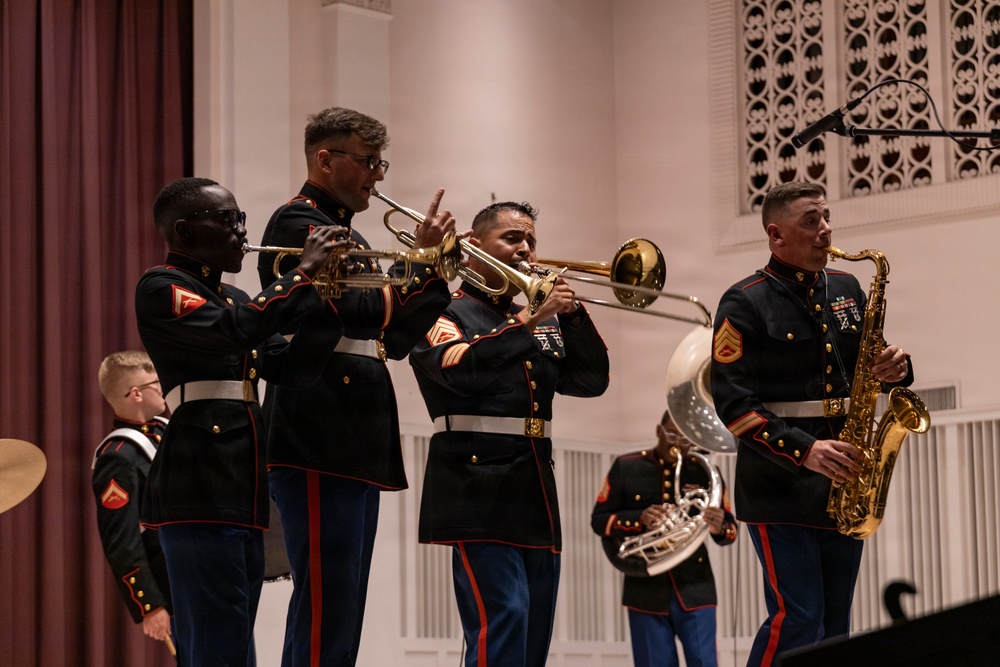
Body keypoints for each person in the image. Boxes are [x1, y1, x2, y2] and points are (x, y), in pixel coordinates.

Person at [256, 107, 456, 666]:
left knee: (342, 605)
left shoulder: (350, 231)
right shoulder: (297, 225)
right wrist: (419, 265)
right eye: (367, 162)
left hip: (351, 430)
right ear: (325, 159)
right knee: (326, 605)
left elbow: (395, 336)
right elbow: (363, 313)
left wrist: (427, 269)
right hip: (318, 428)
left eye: (379, 162)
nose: (377, 176)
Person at [136, 176, 348, 666]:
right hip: (198, 485)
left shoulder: (231, 294)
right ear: (186, 232)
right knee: (217, 645)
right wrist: (302, 274)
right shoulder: (162, 286)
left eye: (242, 220)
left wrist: (333, 301)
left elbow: (291, 368)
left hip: (241, 488)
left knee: (234, 637)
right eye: (229, 220)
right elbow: (237, 332)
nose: (241, 231)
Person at [709, 181, 914, 667]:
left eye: (826, 218)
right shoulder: (743, 302)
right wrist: (805, 451)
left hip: (845, 479)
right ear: (776, 235)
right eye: (811, 221)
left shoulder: (846, 287)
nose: (825, 230)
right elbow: (734, 405)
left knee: (835, 625)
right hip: (780, 484)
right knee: (798, 618)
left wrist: (896, 369)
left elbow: (869, 364)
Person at [408, 200, 610, 667]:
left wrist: (573, 314)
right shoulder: (442, 311)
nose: (526, 250)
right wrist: (529, 321)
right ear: (475, 246)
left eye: (532, 241)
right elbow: (455, 370)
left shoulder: (539, 319)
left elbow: (590, 382)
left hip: (534, 486)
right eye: (513, 238)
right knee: (504, 617)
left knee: (535, 627)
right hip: (474, 485)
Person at [591, 409, 737, 667]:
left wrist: (717, 527)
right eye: (672, 435)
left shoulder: (705, 471)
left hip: (696, 587)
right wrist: (639, 518)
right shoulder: (627, 466)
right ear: (659, 431)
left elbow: (730, 532)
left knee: (705, 663)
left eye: (686, 438)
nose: (678, 444)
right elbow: (599, 521)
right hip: (644, 588)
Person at [92, 350, 173, 651]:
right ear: (136, 393)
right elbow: (122, 542)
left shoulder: (166, 431)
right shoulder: (118, 457)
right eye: (156, 382)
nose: (162, 387)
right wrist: (150, 605)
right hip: (169, 581)